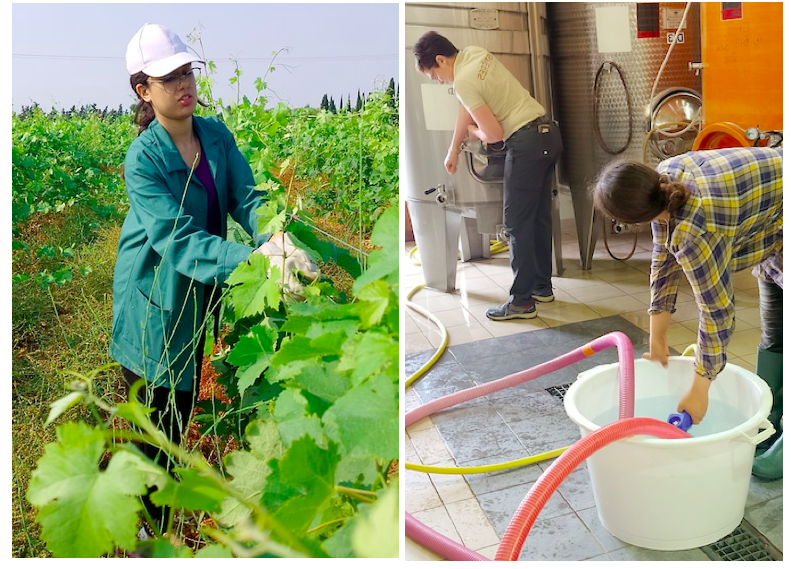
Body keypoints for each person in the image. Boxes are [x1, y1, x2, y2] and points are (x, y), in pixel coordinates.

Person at [112, 23, 317, 533]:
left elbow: (246, 198)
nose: (184, 83)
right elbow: (177, 240)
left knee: (178, 410)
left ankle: (141, 502)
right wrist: (257, 262)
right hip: (152, 298)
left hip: (197, 291)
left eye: (187, 71)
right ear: (144, 90)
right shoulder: (144, 158)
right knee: (159, 424)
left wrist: (275, 235)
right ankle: (147, 532)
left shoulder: (215, 136)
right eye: (169, 78)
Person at [591, 146, 783, 480]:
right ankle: (770, 417)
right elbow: (663, 260)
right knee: (777, 332)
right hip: (771, 220)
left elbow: (718, 311)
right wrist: (658, 333)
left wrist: (700, 388)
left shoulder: (697, 228)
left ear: (631, 221)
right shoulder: (662, 186)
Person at [413, 31, 563, 321]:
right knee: (538, 217)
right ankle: (541, 288)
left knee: (516, 224)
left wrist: (473, 133)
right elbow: (467, 106)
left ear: (441, 60)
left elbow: (493, 134)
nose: (439, 81)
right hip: (547, 135)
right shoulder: (475, 54)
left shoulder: (463, 81)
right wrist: (453, 149)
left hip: (525, 143)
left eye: (435, 75)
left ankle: (521, 303)